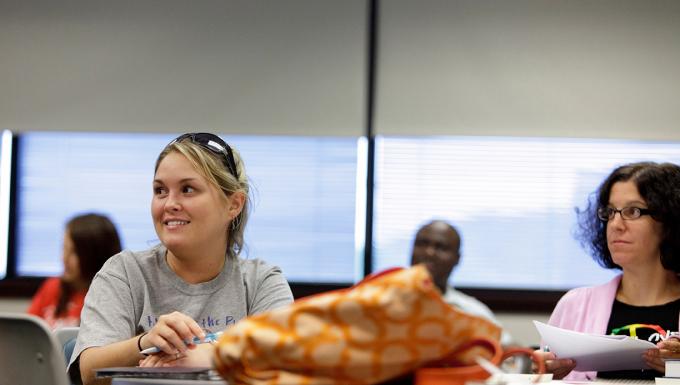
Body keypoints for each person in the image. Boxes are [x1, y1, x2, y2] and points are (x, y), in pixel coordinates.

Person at [67, 133, 294, 385]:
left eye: (187, 189)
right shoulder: (124, 273)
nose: (169, 204)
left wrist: (196, 357)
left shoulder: (262, 281)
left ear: (234, 204)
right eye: (160, 190)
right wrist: (146, 343)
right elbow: (89, 374)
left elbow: (281, 367)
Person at [539, 162, 680, 380]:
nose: (615, 224)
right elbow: (543, 374)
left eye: (632, 211)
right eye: (610, 212)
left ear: (669, 221)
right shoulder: (574, 305)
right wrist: (545, 375)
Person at [410, 220, 513, 346]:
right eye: (422, 244)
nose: (429, 252)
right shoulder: (382, 299)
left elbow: (511, 351)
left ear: (457, 258)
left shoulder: (471, 312)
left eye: (441, 247)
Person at [27, 213, 122, 329]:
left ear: (95, 255)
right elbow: (24, 333)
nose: (64, 258)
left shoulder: (112, 298)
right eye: (64, 248)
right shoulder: (52, 287)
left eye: (74, 252)